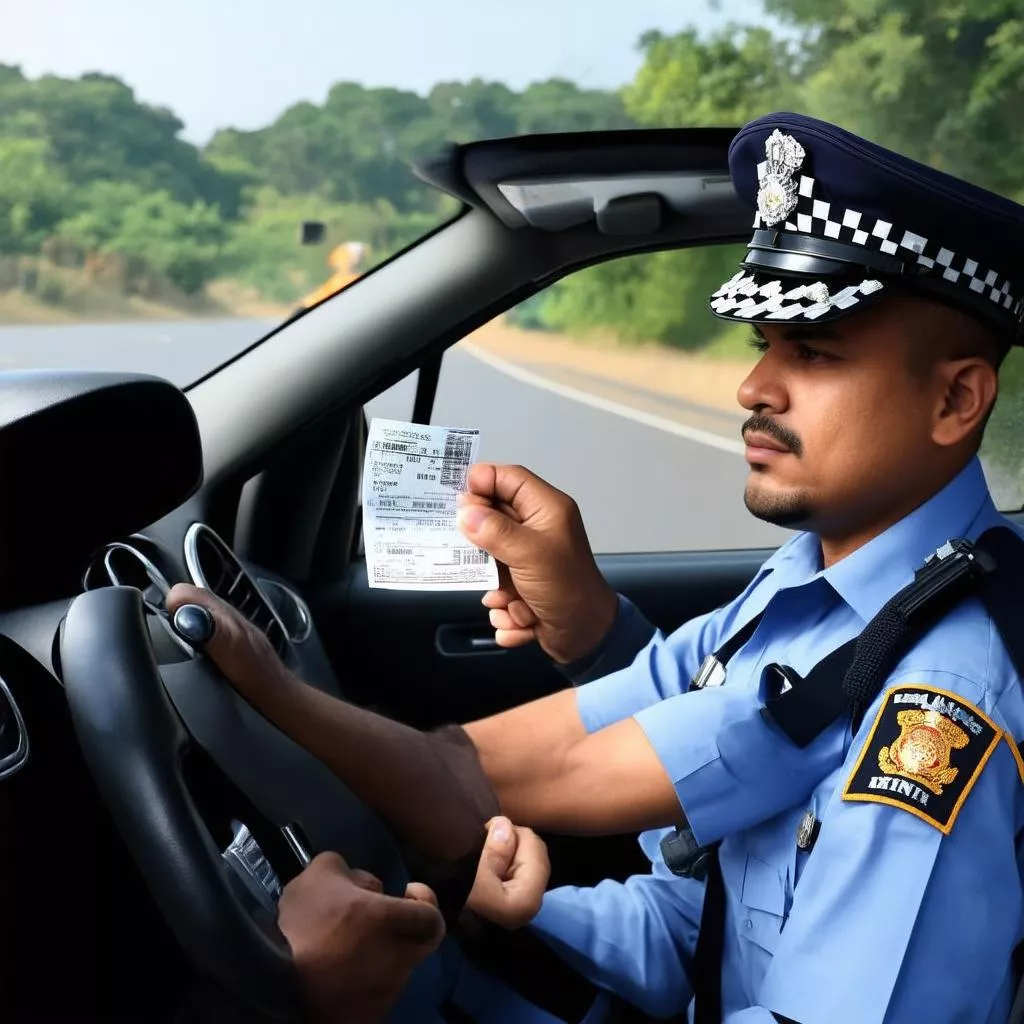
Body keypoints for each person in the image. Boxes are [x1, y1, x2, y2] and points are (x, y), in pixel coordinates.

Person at [168, 110, 1024, 1023]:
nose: (752, 388)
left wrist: (271, 693)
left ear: (954, 400)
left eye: (813, 352)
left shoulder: (937, 704)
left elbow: (479, 779)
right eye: (763, 346)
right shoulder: (811, 581)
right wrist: (491, 915)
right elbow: (701, 918)